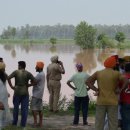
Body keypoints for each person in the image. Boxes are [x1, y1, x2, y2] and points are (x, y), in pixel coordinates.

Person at [86, 56, 128, 130]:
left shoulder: (98, 73)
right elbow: (126, 81)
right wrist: (121, 89)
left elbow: (87, 81)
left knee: (99, 122)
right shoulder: (116, 73)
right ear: (114, 64)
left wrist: (96, 89)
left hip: (101, 101)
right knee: (113, 123)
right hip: (113, 102)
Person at [8, 61, 35, 129]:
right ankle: (23, 125)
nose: (18, 66)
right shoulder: (28, 73)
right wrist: (28, 85)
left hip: (17, 91)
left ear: (20, 66)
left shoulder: (16, 72)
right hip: (25, 92)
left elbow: (8, 78)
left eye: (18, 65)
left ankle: (14, 123)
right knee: (24, 109)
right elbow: (35, 81)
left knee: (16, 108)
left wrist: (11, 86)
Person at [31, 61, 45, 127]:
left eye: (36, 66)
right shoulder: (43, 74)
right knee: (40, 109)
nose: (35, 68)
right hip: (40, 94)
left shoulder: (39, 75)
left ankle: (35, 123)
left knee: (34, 108)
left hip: (36, 94)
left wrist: (31, 81)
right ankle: (41, 123)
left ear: (39, 67)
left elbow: (34, 81)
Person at [0, 62, 11, 129]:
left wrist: (7, 93)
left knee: (3, 112)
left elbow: (4, 86)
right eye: (3, 69)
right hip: (1, 98)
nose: (4, 70)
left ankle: (2, 125)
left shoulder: (3, 76)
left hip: (3, 97)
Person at [119, 63, 130, 130]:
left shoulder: (122, 77)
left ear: (125, 69)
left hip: (125, 102)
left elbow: (117, 89)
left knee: (126, 122)